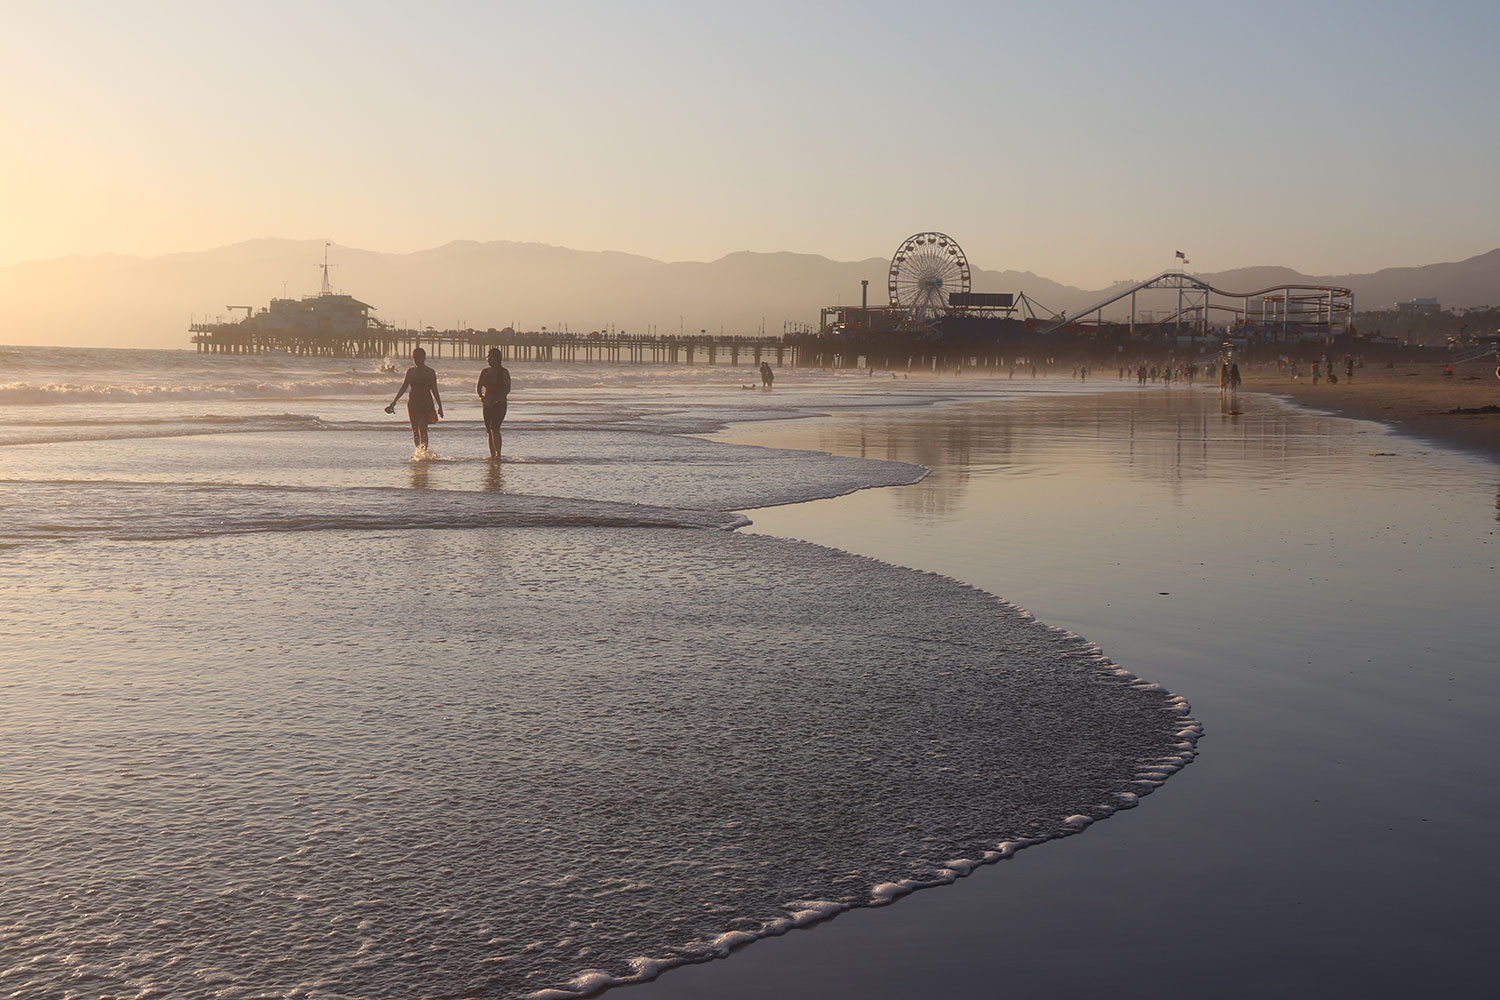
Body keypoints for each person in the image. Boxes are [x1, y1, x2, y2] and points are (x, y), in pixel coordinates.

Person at [385, 347, 443, 451]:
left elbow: (435, 390)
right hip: (413, 403)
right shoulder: (411, 372)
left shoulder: (430, 372)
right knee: (415, 429)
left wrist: (440, 406)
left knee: (423, 428)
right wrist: (394, 402)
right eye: (415, 358)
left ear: (424, 358)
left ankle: (423, 452)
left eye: (419, 358)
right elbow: (403, 387)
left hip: (426, 402)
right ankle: (418, 451)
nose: (417, 360)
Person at [476, 347, 512, 459]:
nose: (488, 359)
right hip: (487, 404)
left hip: (500, 404)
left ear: (497, 358)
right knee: (489, 430)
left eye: (490, 357)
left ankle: (498, 454)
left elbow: (507, 389)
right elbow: (479, 387)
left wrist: (497, 399)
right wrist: (481, 397)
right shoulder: (485, 372)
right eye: (488, 357)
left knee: (495, 428)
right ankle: (492, 455)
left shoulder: (504, 372)